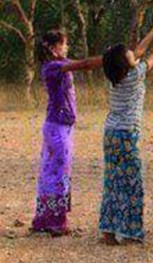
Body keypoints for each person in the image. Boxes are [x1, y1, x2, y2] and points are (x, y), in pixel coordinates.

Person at [98, 22, 153, 244]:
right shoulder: (135, 75)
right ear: (125, 62)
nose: (132, 52)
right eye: (128, 53)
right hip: (127, 135)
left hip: (110, 134)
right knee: (132, 183)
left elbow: (138, 52)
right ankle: (129, 233)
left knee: (112, 182)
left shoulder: (115, 76)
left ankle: (108, 231)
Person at [30, 30, 103, 236]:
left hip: (61, 126)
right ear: (54, 49)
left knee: (51, 173)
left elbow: (85, 63)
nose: (66, 48)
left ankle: (46, 219)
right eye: (64, 44)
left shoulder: (59, 64)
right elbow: (85, 64)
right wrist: (110, 59)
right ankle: (54, 222)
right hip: (57, 128)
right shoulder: (53, 67)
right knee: (58, 174)